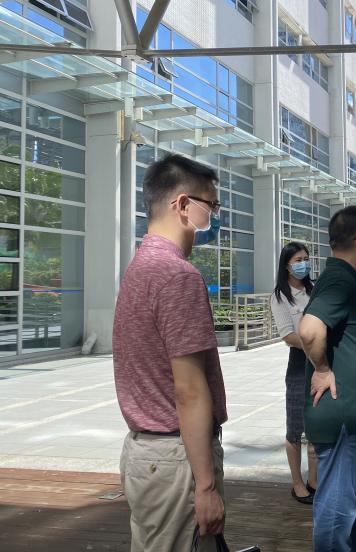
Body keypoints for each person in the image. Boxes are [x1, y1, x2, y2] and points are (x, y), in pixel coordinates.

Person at [113, 154, 227, 551]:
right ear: (182, 205)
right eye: (211, 206)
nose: (214, 217)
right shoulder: (178, 276)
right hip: (175, 459)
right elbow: (189, 391)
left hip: (148, 454)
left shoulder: (141, 266)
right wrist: (206, 486)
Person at [298, 205, 356, 551]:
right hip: (343, 412)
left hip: (354, 413)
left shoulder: (345, 277)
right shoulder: (338, 278)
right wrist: (322, 370)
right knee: (338, 507)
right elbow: (309, 330)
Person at [270, 242, 319, 505]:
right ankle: (298, 484)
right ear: (287, 265)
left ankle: (315, 481)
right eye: (298, 260)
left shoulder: (314, 290)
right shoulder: (280, 296)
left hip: (321, 363)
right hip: (300, 364)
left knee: (316, 427)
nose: (304, 264)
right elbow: (288, 335)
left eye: (306, 259)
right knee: (295, 428)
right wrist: (315, 344)